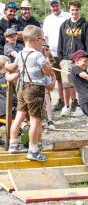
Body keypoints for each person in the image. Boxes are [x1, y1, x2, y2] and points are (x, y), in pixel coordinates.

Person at [8, 25, 53, 161]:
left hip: (22, 87)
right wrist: (47, 62)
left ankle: (13, 145)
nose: (42, 43)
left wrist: (5, 66)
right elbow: (47, 72)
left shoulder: (20, 53)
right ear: (35, 39)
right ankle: (33, 151)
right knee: (36, 121)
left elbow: (13, 67)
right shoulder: (38, 55)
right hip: (35, 90)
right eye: (41, 40)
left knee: (19, 116)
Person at [57, 0, 88, 117]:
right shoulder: (64, 25)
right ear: (69, 10)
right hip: (66, 59)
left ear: (79, 10)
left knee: (79, 83)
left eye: (76, 10)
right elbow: (60, 41)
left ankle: (79, 106)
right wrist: (61, 58)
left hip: (79, 59)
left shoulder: (85, 25)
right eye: (72, 10)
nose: (74, 12)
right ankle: (66, 106)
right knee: (66, 83)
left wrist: (85, 57)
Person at [43, 0, 70, 112]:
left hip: (65, 52)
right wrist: (46, 52)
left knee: (68, 78)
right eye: (52, 5)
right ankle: (61, 100)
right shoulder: (47, 19)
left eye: (56, 5)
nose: (54, 7)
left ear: (60, 4)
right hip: (53, 52)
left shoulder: (67, 16)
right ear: (50, 6)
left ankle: (72, 102)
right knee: (57, 78)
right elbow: (45, 37)